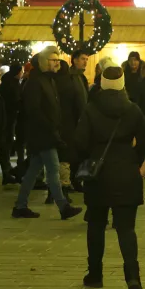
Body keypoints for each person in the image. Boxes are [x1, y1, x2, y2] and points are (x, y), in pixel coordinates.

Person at [75, 66, 145, 289]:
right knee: (126, 228)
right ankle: (133, 277)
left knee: (96, 225)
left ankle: (95, 274)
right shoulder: (133, 109)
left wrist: (87, 161)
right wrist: (136, 161)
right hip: (127, 172)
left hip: (99, 175)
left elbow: (79, 142)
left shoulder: (91, 109)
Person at [11, 47, 83, 221]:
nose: (57, 62)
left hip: (46, 133)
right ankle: (63, 206)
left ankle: (20, 206)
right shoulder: (36, 82)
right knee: (53, 169)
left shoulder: (48, 80)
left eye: (58, 59)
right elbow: (34, 110)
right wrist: (51, 129)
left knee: (33, 170)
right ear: (44, 62)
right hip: (43, 135)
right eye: (53, 59)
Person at [54, 59, 86, 203]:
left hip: (57, 124)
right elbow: (79, 103)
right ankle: (64, 188)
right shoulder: (70, 83)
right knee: (66, 157)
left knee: (56, 159)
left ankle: (55, 191)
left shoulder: (53, 82)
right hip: (70, 123)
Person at [0, 63, 24, 165]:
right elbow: (16, 100)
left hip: (7, 115)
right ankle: (7, 165)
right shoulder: (13, 83)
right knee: (8, 139)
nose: (22, 73)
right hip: (10, 115)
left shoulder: (6, 81)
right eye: (21, 71)